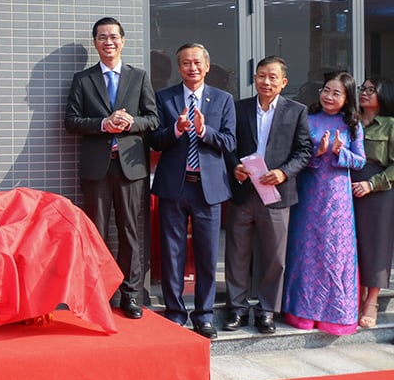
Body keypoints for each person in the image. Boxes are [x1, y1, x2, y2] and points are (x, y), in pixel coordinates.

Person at [64, 17, 158, 319]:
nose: (109, 42)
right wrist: (103, 124)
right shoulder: (84, 79)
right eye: (102, 37)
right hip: (97, 169)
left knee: (130, 231)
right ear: (95, 43)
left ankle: (130, 295)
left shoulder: (139, 76)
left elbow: (153, 119)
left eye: (114, 37)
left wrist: (133, 123)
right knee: (97, 233)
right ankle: (98, 294)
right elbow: (71, 121)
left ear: (123, 41)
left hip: (131, 168)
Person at [151, 43, 236, 339]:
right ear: (179, 68)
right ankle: (175, 313)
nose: (192, 67)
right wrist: (176, 129)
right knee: (172, 254)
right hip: (174, 187)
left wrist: (203, 131)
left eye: (197, 62)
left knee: (207, 256)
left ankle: (204, 315)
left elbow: (229, 143)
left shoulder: (223, 100)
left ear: (207, 66)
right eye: (186, 63)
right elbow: (155, 140)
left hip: (208, 189)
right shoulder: (165, 97)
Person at [223, 56, 311, 335]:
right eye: (261, 76)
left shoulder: (296, 111)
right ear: (255, 78)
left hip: (276, 193)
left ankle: (266, 311)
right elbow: (227, 144)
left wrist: (284, 173)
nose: (266, 82)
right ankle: (236, 308)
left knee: (275, 257)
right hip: (243, 192)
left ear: (283, 82)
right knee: (237, 253)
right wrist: (234, 165)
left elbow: (304, 151)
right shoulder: (239, 108)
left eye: (273, 77)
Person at [283, 71, 365, 335]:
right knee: (306, 252)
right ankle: (302, 312)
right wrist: (317, 154)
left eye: (336, 93)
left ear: (347, 97)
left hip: (338, 199)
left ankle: (335, 315)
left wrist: (342, 153)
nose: (329, 96)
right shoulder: (307, 119)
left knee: (335, 255)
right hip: (308, 195)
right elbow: (296, 158)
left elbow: (361, 161)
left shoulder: (353, 125)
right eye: (326, 90)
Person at [351, 76, 394, 328]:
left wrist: (372, 184)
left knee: (375, 246)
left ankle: (372, 301)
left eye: (371, 90)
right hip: (348, 186)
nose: (364, 93)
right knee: (351, 245)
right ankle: (355, 295)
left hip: (378, 189)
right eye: (362, 89)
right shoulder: (351, 122)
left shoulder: (389, 125)